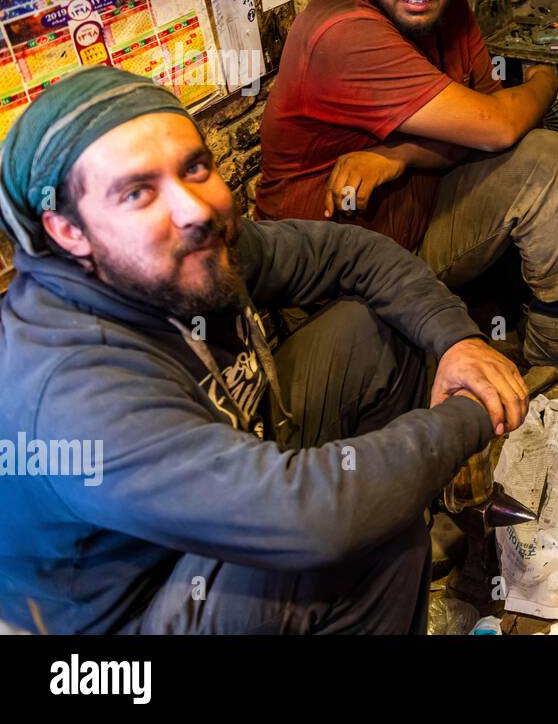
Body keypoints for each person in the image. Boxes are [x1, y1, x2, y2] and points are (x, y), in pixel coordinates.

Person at [0, 68, 528, 634]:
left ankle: (389, 592)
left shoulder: (188, 249)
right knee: (358, 535)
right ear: (67, 231)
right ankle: (383, 584)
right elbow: (312, 516)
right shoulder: (69, 385)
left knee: (371, 335)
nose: (195, 210)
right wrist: (475, 409)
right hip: (125, 632)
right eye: (137, 193)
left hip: (229, 484)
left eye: (194, 168)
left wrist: (459, 341)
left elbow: (351, 253)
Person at [256, 0, 558, 365]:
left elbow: (487, 130)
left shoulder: (450, 6)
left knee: (543, 159)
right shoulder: (342, 32)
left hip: (413, 236)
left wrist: (401, 156)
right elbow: (498, 124)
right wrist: (546, 78)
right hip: (336, 290)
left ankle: (555, 334)